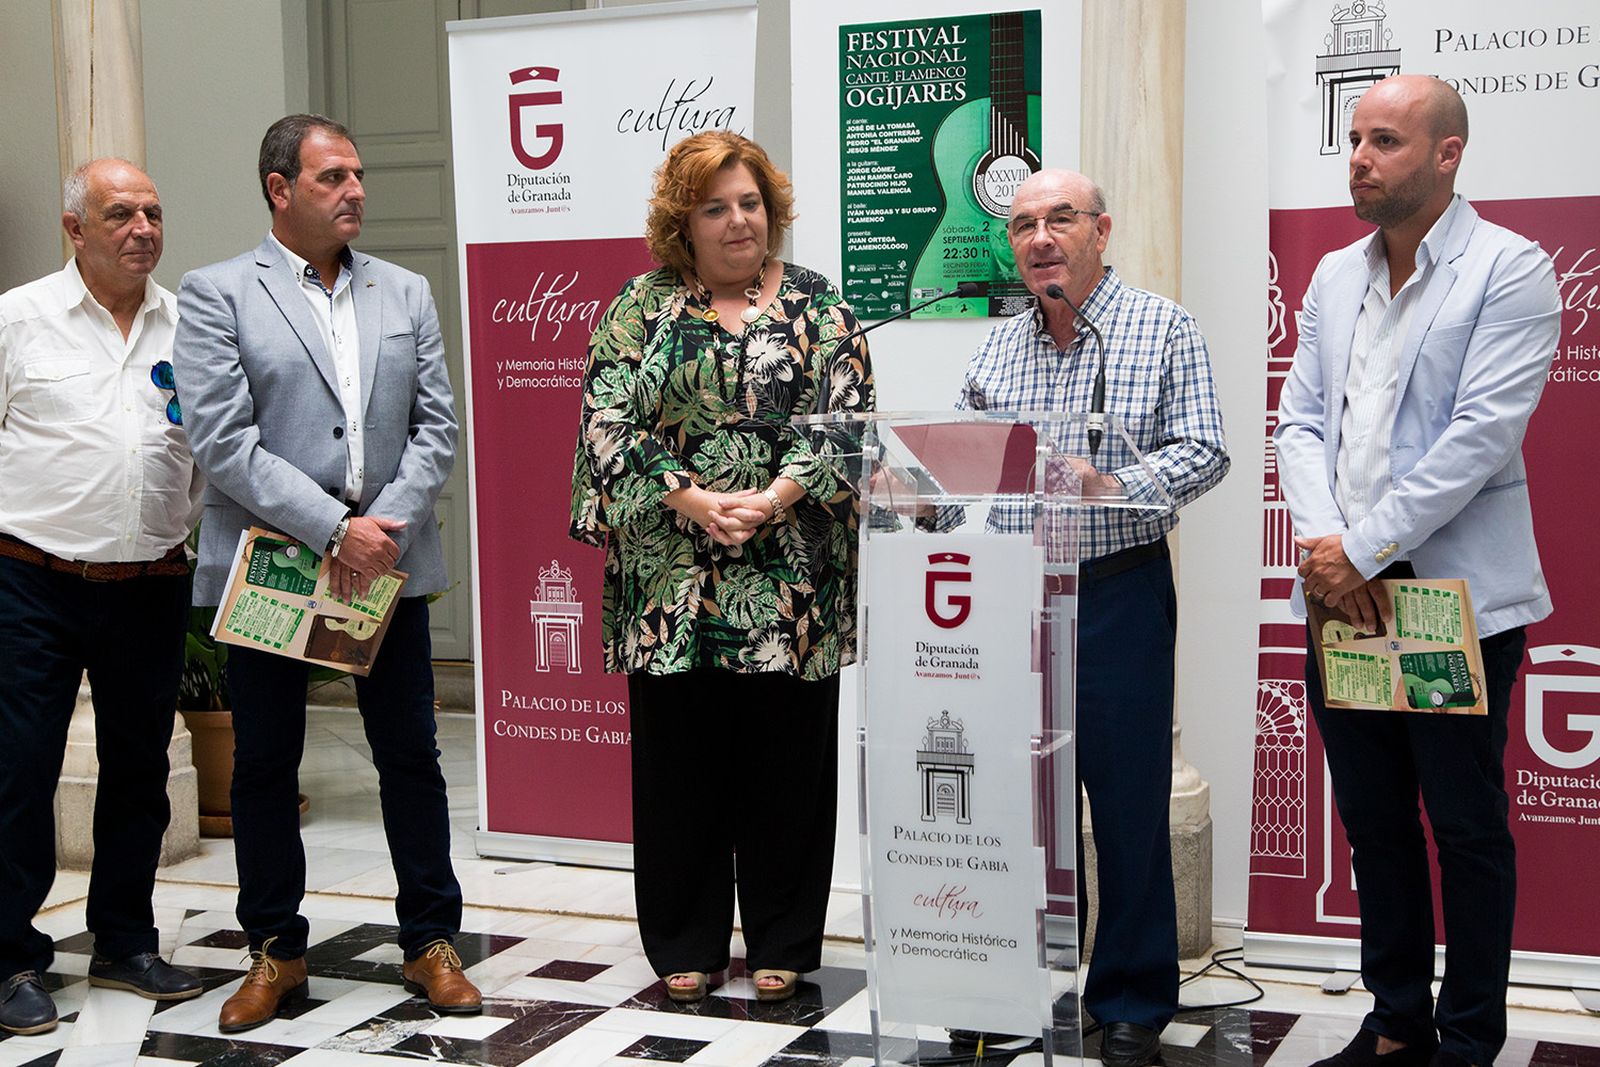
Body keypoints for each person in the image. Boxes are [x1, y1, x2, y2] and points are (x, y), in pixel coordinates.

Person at [1275, 76, 1560, 1067]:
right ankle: (1395, 1018)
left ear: (1446, 154)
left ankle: (1468, 1034)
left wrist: (1359, 548)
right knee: (1371, 818)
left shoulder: (1508, 269)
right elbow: (1301, 420)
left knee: (1464, 825)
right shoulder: (1329, 277)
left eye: (1383, 139)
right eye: (1353, 139)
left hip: (1452, 607)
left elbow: (1477, 439)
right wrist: (1324, 545)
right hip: (1342, 600)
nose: (1357, 156)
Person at [173, 114, 479, 1032]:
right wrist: (332, 529)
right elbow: (223, 442)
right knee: (264, 765)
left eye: (358, 174)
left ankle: (431, 939)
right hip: (273, 563)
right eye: (332, 176)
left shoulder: (407, 292)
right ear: (280, 188)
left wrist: (378, 527)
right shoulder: (218, 291)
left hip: (383, 563)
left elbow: (438, 427)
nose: (355, 190)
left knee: (411, 759)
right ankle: (276, 949)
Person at [569, 130, 874, 1004]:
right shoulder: (640, 305)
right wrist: (694, 498)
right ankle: (685, 940)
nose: (739, 220)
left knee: (788, 766)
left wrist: (770, 498)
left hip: (792, 577)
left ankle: (783, 937)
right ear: (684, 221)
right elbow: (607, 424)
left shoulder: (822, 306)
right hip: (670, 579)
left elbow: (847, 425)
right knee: (679, 768)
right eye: (716, 206)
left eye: (750, 203)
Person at [949, 168, 1228, 1066]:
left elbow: (1206, 446)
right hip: (1014, 592)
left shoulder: (1162, 326)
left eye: (1059, 219)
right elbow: (965, 450)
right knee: (1015, 802)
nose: (1038, 238)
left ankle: (1133, 995)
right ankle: (1008, 985)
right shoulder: (998, 346)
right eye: (1024, 224)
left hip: (1117, 589)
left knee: (1129, 799)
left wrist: (1114, 482)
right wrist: (917, 487)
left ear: (1101, 230)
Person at [0, 159, 206, 1036]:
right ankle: (10, 957)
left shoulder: (191, 325)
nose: (143, 228)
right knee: (18, 771)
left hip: (150, 583)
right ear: (75, 230)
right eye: (120, 213)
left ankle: (124, 938)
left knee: (139, 770)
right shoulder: (17, 320)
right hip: (30, 581)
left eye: (154, 211)